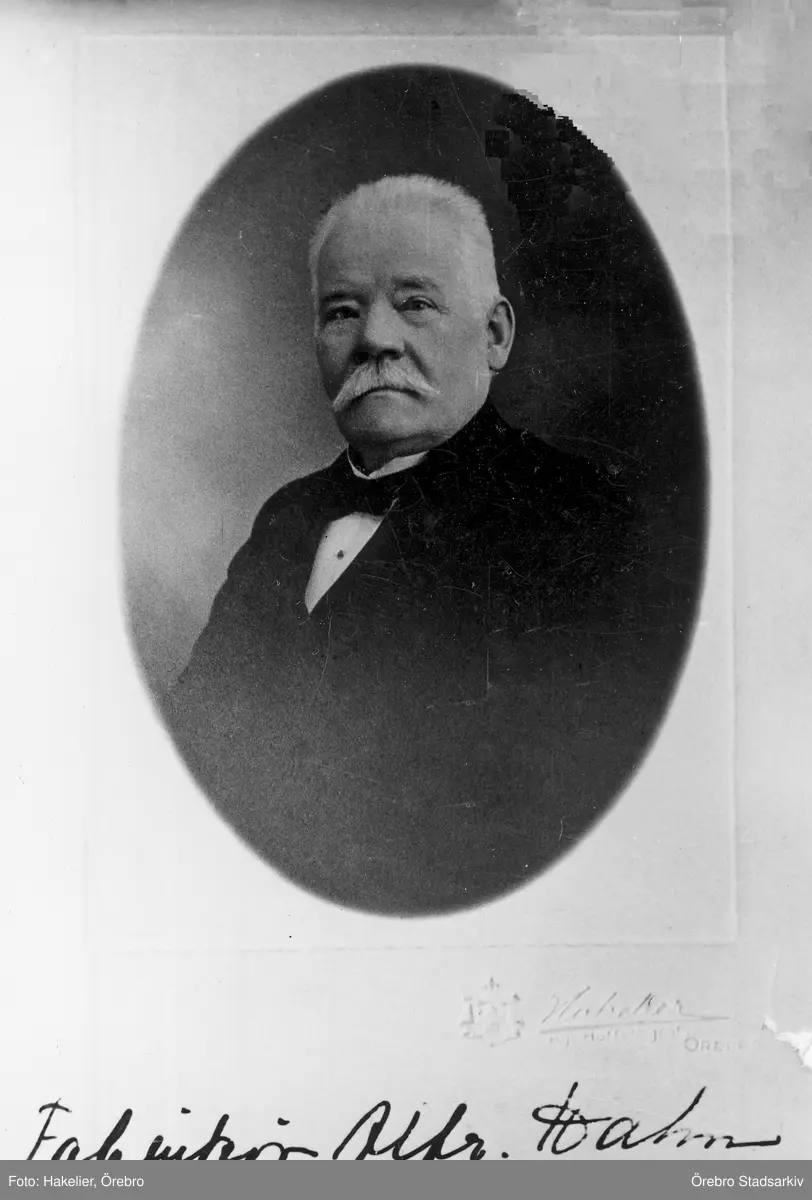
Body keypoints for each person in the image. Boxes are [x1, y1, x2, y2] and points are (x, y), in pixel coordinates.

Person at [167, 174, 649, 915]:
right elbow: (194, 743)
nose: (374, 339)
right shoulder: (287, 517)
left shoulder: (579, 516)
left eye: (416, 304)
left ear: (494, 336)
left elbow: (563, 797)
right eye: (342, 311)